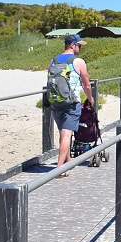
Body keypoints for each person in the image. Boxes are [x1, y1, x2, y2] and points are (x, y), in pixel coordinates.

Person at [52, 35, 92, 177]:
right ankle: (59, 169)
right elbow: (86, 84)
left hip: (55, 101)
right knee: (67, 133)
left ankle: (68, 159)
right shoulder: (78, 61)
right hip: (71, 102)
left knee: (63, 133)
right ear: (72, 45)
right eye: (79, 45)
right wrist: (90, 98)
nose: (80, 48)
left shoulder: (54, 60)